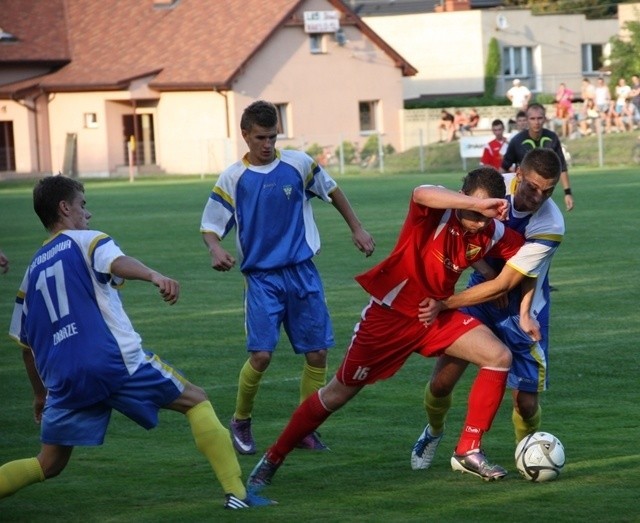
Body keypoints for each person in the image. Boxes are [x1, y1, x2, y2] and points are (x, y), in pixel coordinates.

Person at [246, 167, 528, 491]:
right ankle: (273, 457)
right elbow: (421, 192)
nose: (478, 221)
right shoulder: (436, 213)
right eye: (472, 211)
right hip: (388, 318)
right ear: (462, 196)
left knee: (498, 356)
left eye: (484, 214)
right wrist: (477, 205)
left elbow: (527, 256)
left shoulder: (490, 232)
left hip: (433, 315)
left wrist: (521, 289)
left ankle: (468, 449)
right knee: (337, 394)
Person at [2, 176, 273, 510]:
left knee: (49, 463)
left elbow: (25, 345)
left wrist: (40, 395)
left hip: (64, 378)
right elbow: (115, 261)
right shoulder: (87, 241)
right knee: (196, 400)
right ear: (64, 207)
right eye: (83, 205)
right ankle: (239, 495)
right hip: (112, 360)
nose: (87, 214)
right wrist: (154, 275)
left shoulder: (31, 273)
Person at [200, 100, 375, 456]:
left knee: (317, 353)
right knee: (262, 356)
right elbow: (210, 226)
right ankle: (241, 419)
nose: (268, 144)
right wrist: (215, 249)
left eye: (273, 137)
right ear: (245, 135)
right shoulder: (233, 178)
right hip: (263, 279)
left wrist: (357, 227)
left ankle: (305, 428)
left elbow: (333, 190)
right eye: (261, 137)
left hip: (302, 273)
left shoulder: (298, 164)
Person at [411, 148, 565, 472]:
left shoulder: (551, 223)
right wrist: (484, 269)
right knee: (441, 382)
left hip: (522, 307)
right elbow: (465, 227)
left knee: (525, 403)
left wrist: (444, 304)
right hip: (479, 297)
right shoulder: (494, 190)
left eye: (548, 191)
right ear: (518, 175)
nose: (539, 197)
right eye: (533, 187)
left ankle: (528, 454)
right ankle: (433, 431)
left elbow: (507, 283)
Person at [501, 103, 574, 212]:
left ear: (545, 119)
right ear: (527, 119)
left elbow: (562, 166)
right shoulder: (517, 140)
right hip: (522, 192)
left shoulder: (552, 138)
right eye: (532, 118)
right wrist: (498, 191)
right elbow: (504, 166)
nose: (536, 122)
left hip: (543, 191)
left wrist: (567, 193)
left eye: (540, 118)